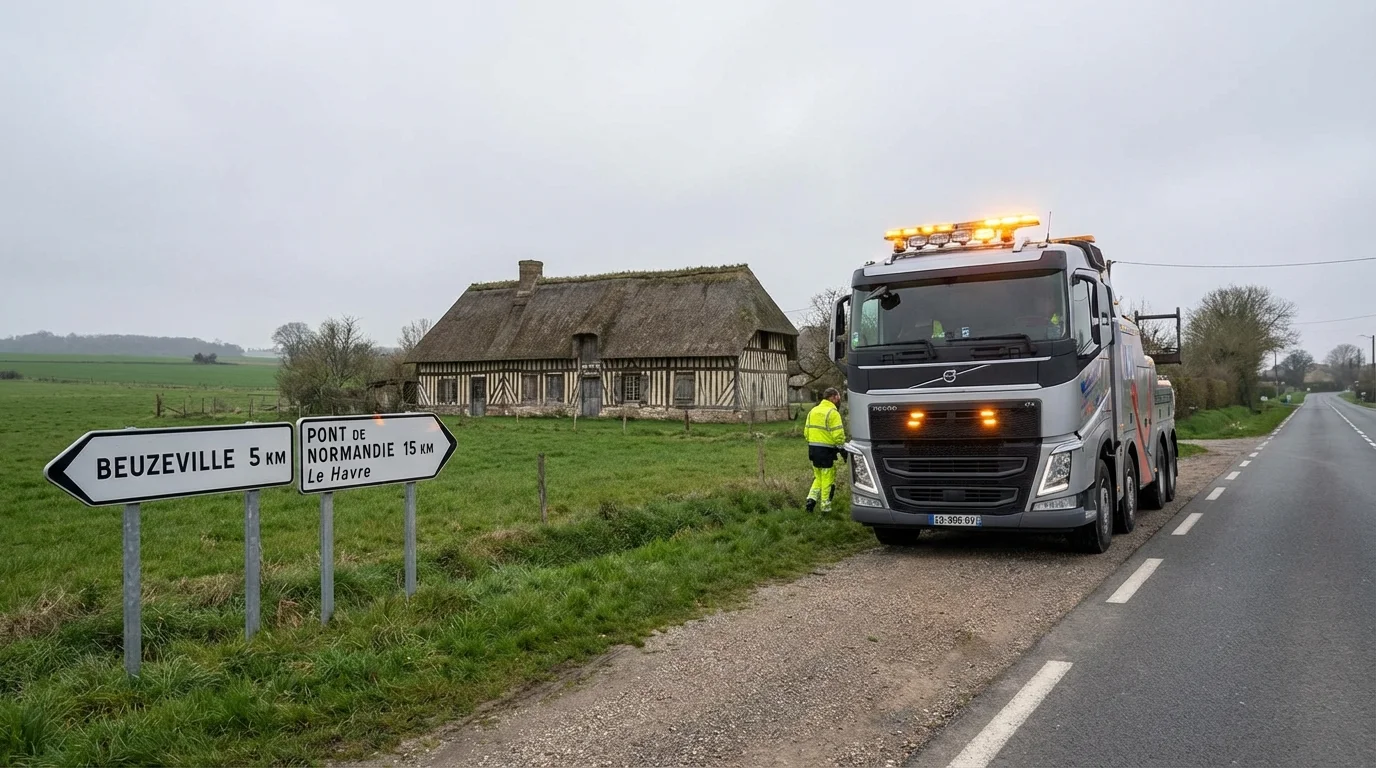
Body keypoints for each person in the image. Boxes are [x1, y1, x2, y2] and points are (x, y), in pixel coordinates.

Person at [804, 387, 847, 512]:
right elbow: (838, 435)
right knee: (828, 478)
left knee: (818, 477)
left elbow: (806, 432)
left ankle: (810, 500)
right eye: (838, 398)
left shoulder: (813, 411)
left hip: (812, 449)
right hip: (826, 451)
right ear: (833, 397)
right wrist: (842, 448)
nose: (839, 400)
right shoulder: (832, 413)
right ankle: (825, 507)